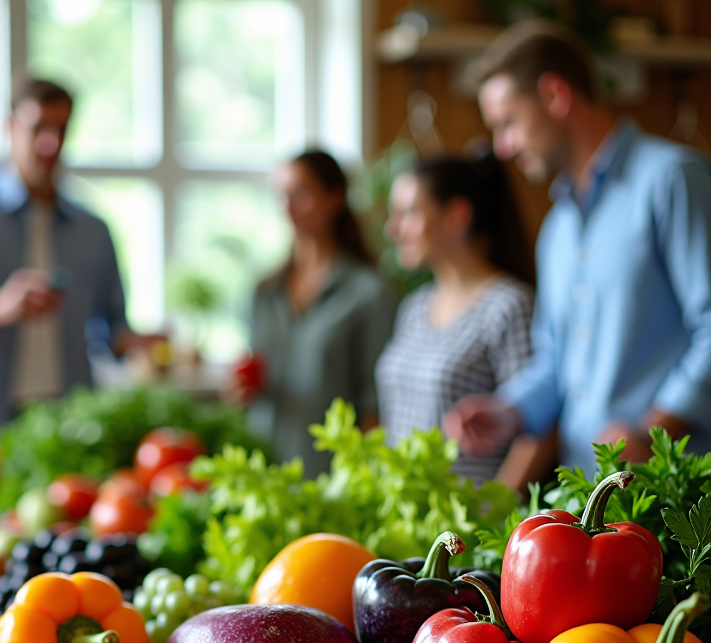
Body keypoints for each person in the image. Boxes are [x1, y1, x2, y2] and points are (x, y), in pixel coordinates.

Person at [444, 21, 711, 473]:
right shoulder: (557, 228)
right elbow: (555, 359)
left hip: (675, 495)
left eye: (508, 123)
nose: (502, 148)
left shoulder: (672, 180)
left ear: (554, 96)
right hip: (584, 498)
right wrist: (508, 411)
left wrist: (654, 431)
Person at [0, 76, 159, 439]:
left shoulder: (94, 229)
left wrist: (143, 344)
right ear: (10, 127)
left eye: (61, 129)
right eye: (38, 128)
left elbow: (112, 331)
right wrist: (0, 307)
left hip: (69, 425)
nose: (50, 143)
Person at [375, 152, 536, 484]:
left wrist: (497, 513)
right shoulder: (414, 307)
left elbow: (535, 429)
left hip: (469, 521)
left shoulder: (508, 306)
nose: (394, 230)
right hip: (402, 515)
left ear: (456, 216)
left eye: (409, 214)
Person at [246, 150, 396, 474]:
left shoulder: (371, 293)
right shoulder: (265, 293)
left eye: (300, 194)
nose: (287, 207)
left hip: (332, 479)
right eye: (282, 195)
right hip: (265, 472)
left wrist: (363, 477)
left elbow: (376, 403)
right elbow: (257, 377)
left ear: (334, 199)